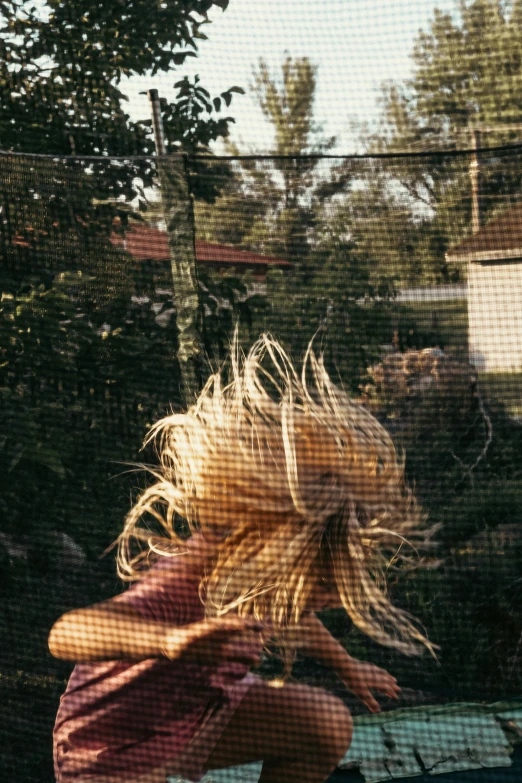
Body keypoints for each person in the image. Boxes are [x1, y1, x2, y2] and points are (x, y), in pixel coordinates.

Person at [49, 334, 436, 783]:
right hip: (114, 748)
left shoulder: (264, 581)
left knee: (324, 723)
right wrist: (171, 641)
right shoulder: (190, 577)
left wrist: (345, 664)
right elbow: (66, 634)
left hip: (201, 713)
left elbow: (292, 618)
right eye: (325, 583)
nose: (332, 597)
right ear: (277, 554)